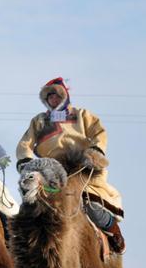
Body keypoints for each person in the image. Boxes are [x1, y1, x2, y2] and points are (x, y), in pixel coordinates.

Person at [16, 77, 125, 253]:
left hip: (81, 167)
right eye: (50, 97)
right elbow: (25, 144)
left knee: (91, 204)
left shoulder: (81, 115)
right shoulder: (39, 121)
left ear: (65, 96)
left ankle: (113, 231)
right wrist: (26, 161)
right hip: (51, 172)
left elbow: (98, 132)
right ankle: (23, 253)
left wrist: (94, 151)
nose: (54, 100)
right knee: (31, 209)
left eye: (57, 96)